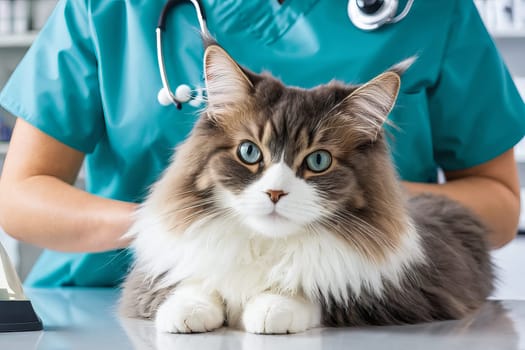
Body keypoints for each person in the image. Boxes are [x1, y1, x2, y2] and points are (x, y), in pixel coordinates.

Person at [0, 0, 524, 287]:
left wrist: (348, 208)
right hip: (108, 304)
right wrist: (168, 228)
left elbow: (498, 207)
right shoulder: (108, 8)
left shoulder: (433, 11)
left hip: (354, 302)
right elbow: (19, 195)